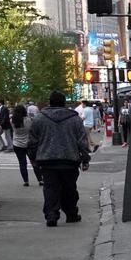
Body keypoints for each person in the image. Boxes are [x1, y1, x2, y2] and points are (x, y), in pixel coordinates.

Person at [27, 90, 91, 228]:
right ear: (64, 103)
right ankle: (71, 213)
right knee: (69, 188)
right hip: (69, 159)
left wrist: (32, 157)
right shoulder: (74, 119)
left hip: (47, 159)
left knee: (50, 188)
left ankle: (51, 214)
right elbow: (82, 141)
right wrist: (85, 159)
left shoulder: (39, 118)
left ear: (50, 102)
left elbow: (32, 141)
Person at [9, 103, 35, 187]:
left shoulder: (12, 120)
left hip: (17, 143)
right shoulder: (28, 120)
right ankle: (40, 179)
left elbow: (12, 131)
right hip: (28, 143)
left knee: (22, 163)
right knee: (34, 161)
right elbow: (31, 130)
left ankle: (26, 181)